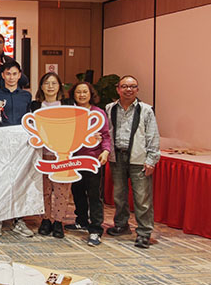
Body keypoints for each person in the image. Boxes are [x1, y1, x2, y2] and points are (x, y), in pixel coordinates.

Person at [105, 75, 160, 249]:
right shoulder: (110, 108)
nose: (128, 89)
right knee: (119, 196)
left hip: (139, 158)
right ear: (118, 89)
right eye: (124, 86)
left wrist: (151, 159)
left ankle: (144, 233)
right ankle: (121, 225)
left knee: (142, 198)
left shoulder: (146, 110)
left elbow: (152, 136)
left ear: (137, 89)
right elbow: (107, 132)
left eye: (132, 86)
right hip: (117, 157)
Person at [0, 61, 34, 237]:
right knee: (0, 179)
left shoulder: (26, 96)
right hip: (1, 141)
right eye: (8, 74)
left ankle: (18, 220)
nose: (11, 77)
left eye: (15, 74)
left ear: (20, 75)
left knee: (20, 180)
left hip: (22, 144)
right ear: (3, 75)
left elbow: (30, 119)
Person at [28, 72, 72, 240]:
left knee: (62, 190)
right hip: (41, 155)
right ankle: (45, 219)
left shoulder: (67, 105)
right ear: (41, 86)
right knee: (44, 190)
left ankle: (59, 222)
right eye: (47, 83)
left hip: (62, 155)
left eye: (54, 83)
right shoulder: (35, 106)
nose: (50, 86)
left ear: (59, 86)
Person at [68, 81, 111, 247]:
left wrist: (105, 151)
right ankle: (81, 221)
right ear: (74, 95)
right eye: (78, 92)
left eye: (85, 92)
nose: (82, 95)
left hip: (93, 159)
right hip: (74, 159)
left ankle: (96, 229)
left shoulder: (98, 113)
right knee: (77, 191)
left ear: (90, 94)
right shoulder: (70, 113)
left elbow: (105, 135)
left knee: (94, 194)